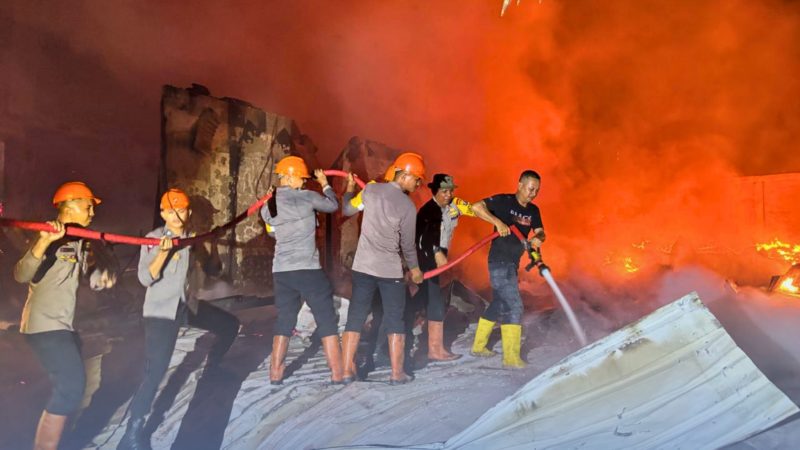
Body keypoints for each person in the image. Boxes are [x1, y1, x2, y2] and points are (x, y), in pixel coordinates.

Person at [119, 188, 240, 450]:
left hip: (186, 305)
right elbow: (145, 278)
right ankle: (131, 433)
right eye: (172, 211)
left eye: (182, 210)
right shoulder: (153, 239)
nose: (177, 215)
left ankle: (213, 369)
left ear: (188, 212)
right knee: (156, 373)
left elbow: (213, 271)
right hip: (161, 312)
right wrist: (162, 253)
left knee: (229, 325)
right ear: (163, 212)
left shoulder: (191, 239)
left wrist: (213, 243)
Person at [14, 181, 117, 450]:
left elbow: (79, 276)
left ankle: (57, 436)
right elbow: (22, 274)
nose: (92, 212)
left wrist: (99, 279)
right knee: (71, 388)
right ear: (68, 207)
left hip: (62, 325)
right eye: (88, 206)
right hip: (45, 326)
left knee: (71, 386)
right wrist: (44, 242)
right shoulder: (47, 234)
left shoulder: (79, 240)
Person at [340, 153, 425, 385]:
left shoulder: (370, 191)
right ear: (404, 175)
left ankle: (346, 370)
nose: (418, 184)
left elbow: (347, 209)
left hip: (363, 267)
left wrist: (349, 189)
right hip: (390, 272)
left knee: (356, 317)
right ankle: (397, 373)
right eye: (416, 179)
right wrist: (415, 269)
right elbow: (407, 245)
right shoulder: (408, 206)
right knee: (396, 319)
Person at [261, 156, 344, 385]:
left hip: (282, 271)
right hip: (307, 269)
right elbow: (333, 205)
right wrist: (325, 183)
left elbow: (271, 232)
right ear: (288, 176)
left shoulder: (270, 203)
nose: (305, 182)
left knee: (285, 319)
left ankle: (275, 373)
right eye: (302, 177)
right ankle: (338, 372)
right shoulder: (308, 197)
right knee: (326, 317)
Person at [469, 170, 545, 369]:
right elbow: (476, 207)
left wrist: (539, 238)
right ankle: (510, 358)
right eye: (530, 189)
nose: (533, 194)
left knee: (501, 304)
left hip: (513, 262)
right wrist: (498, 222)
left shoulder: (533, 211)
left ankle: (478, 347)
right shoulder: (504, 201)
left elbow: (540, 231)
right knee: (515, 306)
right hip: (499, 261)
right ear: (520, 184)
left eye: (536, 190)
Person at [410, 173, 481, 363]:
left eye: (450, 191)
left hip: (438, 261)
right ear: (434, 191)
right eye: (443, 191)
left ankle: (395, 325)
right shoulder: (428, 212)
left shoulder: (454, 205)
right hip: (426, 261)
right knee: (435, 303)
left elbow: (475, 210)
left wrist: (497, 221)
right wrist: (435, 252)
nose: (448, 194)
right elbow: (421, 239)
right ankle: (435, 349)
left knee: (422, 298)